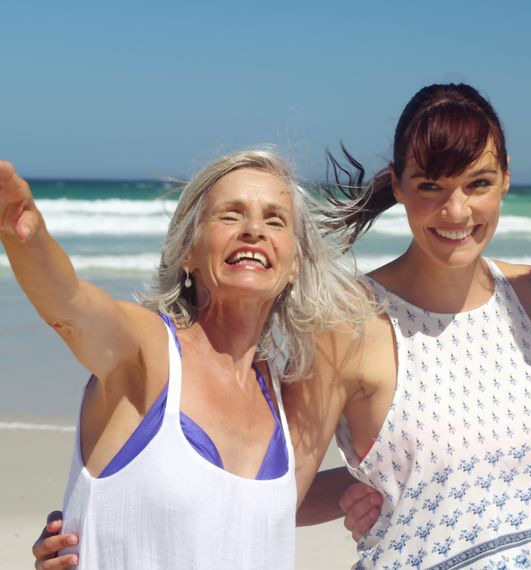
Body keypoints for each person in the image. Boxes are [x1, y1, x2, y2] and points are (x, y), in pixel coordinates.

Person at [2, 150, 374, 569]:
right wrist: (26, 235)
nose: (253, 230)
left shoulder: (277, 393)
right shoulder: (148, 353)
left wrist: (394, 487)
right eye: (230, 215)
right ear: (188, 252)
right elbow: (70, 307)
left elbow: (266, 509)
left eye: (275, 220)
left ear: (294, 266)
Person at [281, 83, 531, 569]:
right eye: (430, 186)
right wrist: (357, 491)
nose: (456, 211)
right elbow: (273, 496)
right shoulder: (347, 322)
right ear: (399, 185)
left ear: (506, 178)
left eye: (478, 183)